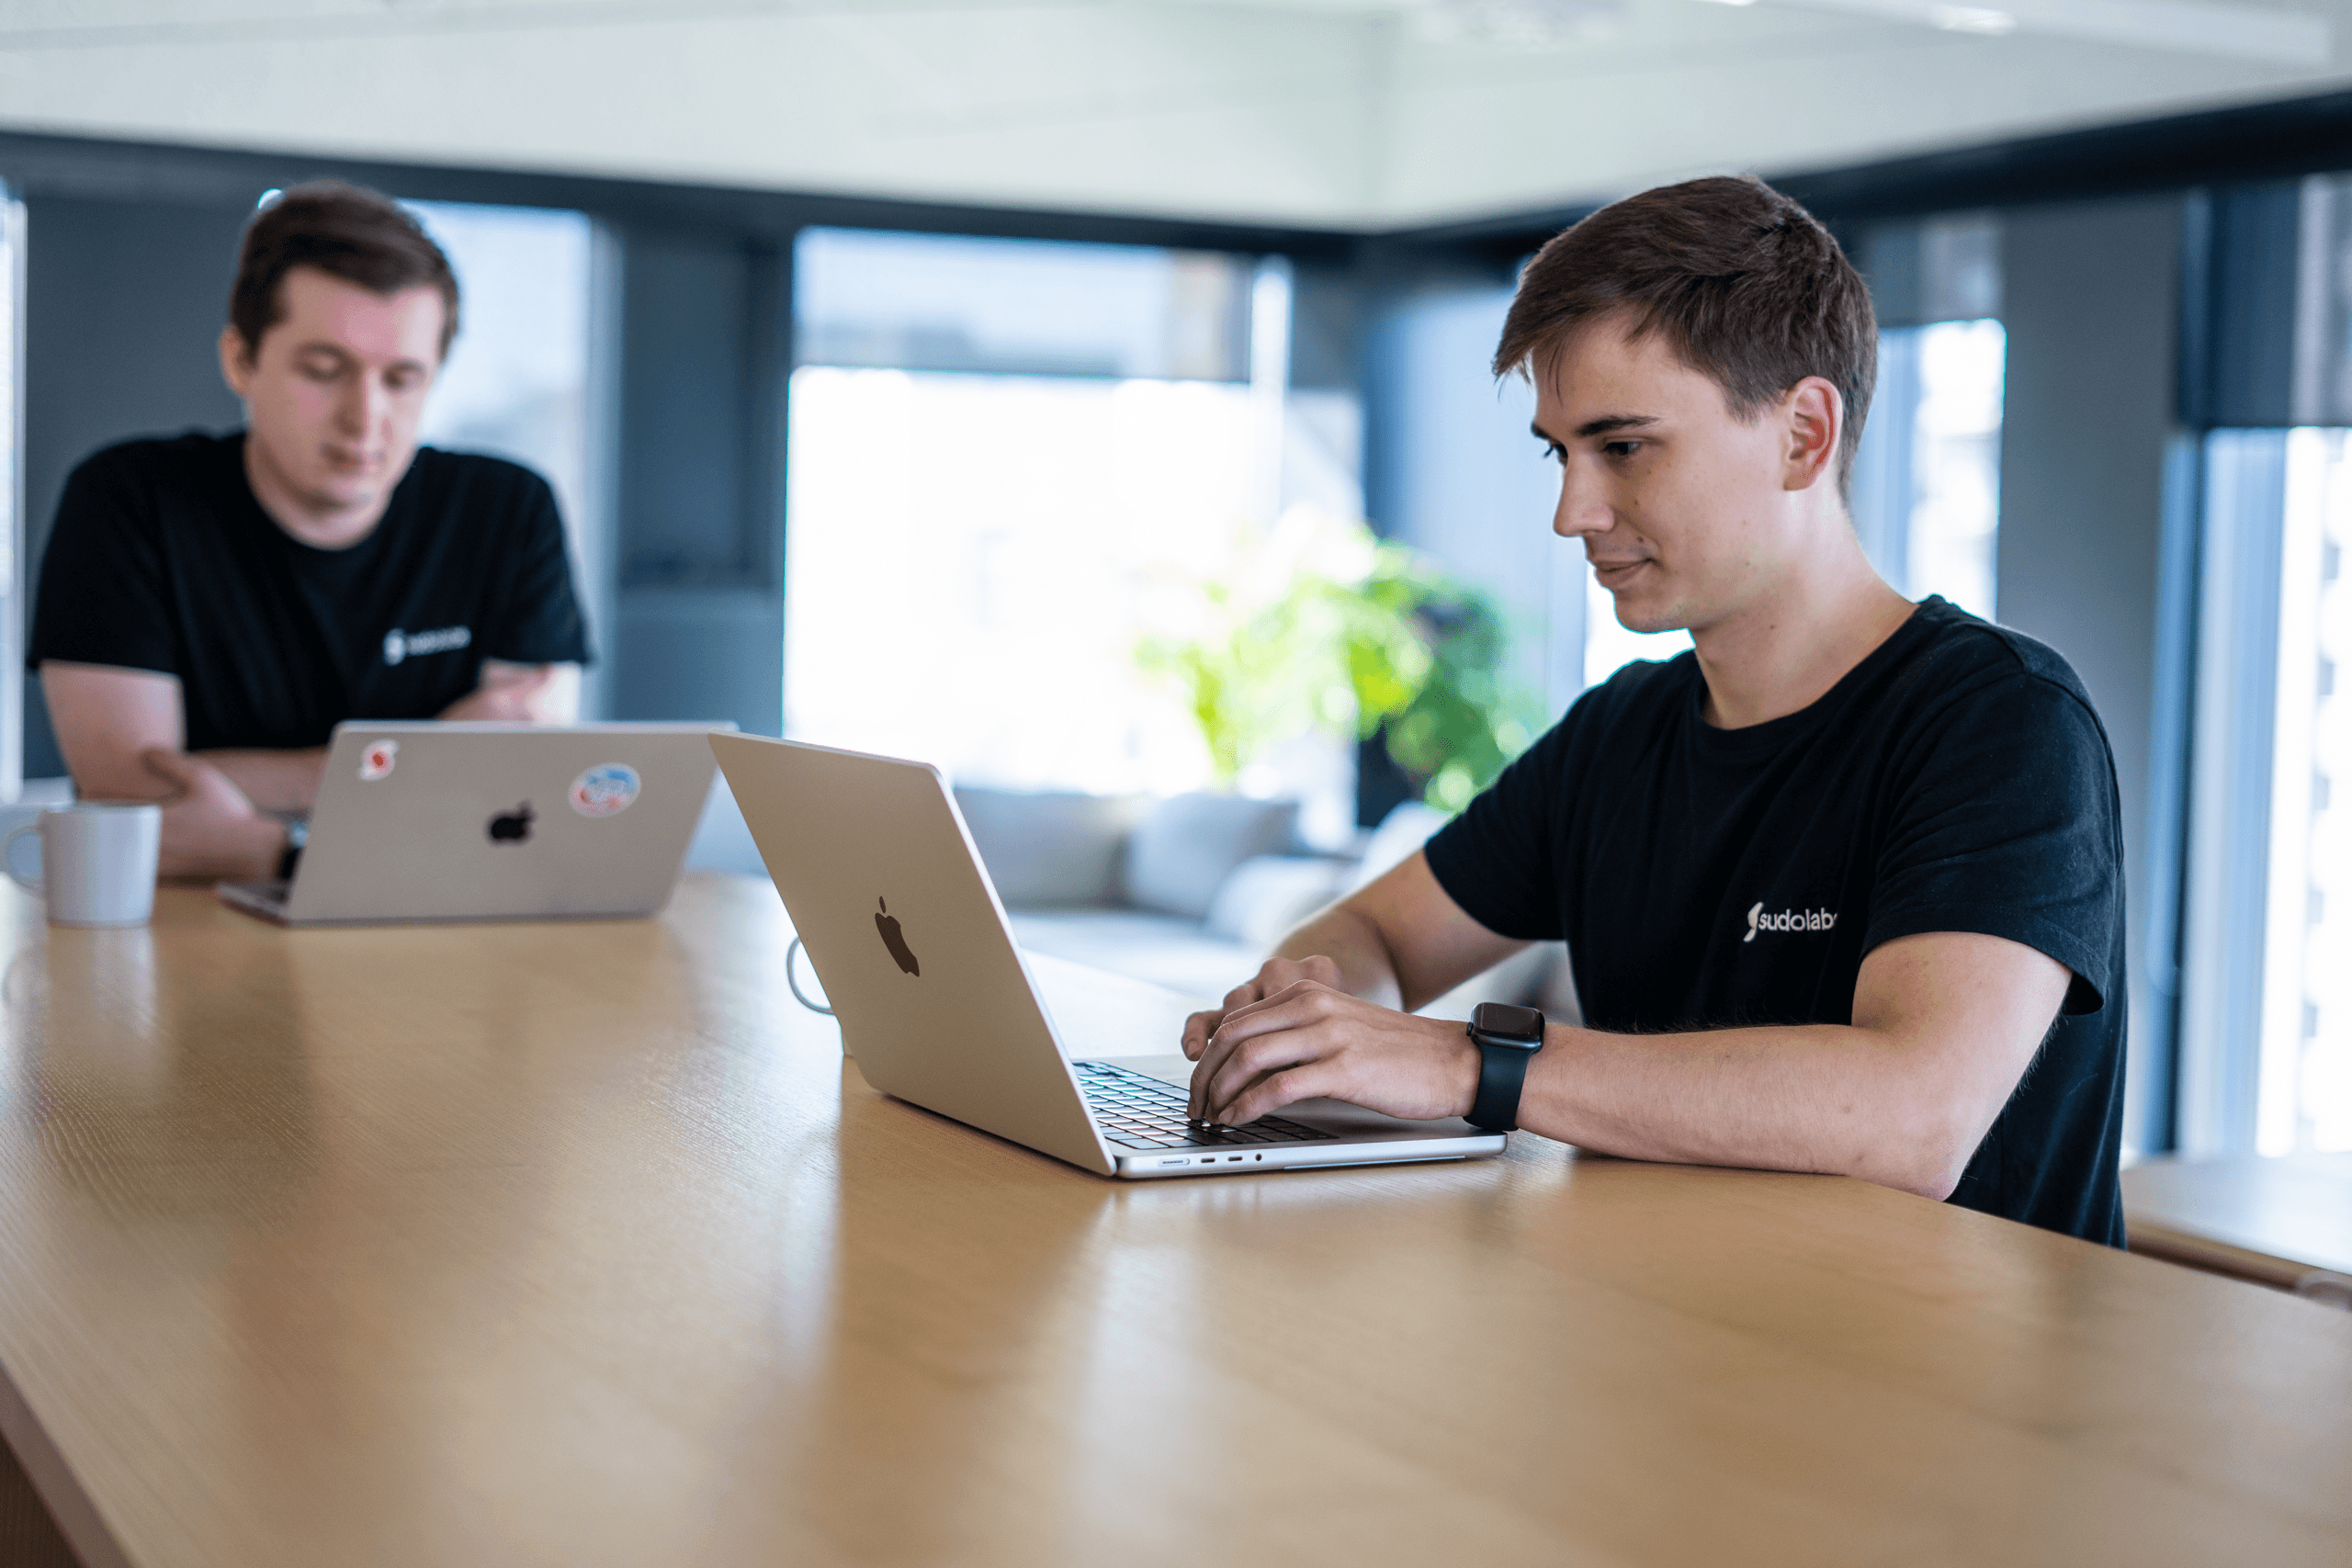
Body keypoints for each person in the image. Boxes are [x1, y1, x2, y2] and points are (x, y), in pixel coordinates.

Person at [1182, 176, 2127, 1245]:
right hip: (1677, 1333)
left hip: (1950, 1390)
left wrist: (1463, 1064)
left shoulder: (2000, 720)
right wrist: (1311, 1019)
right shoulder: (1619, 733)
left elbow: (1909, 1118)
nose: (1571, 512)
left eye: (1622, 447)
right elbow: (1373, 935)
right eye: (1560, 453)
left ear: (1802, 436)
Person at [29, 182, 592, 882]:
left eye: (403, 379)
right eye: (324, 371)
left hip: (443, 919)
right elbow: (137, 798)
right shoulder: (128, 499)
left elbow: (520, 780)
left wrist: (262, 834)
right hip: (187, 936)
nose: (365, 418)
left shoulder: (510, 510)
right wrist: (423, 758)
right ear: (241, 361)